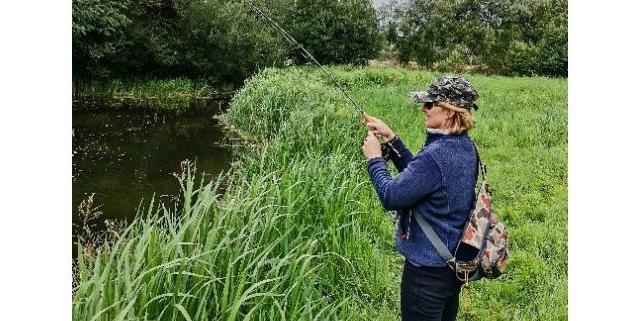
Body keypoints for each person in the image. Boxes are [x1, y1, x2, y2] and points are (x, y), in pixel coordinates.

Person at [361, 76, 480, 321]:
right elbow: (423, 180)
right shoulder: (463, 145)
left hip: (426, 274)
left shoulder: (436, 155)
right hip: (451, 265)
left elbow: (392, 196)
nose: (423, 109)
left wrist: (374, 159)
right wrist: (392, 140)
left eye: (429, 104)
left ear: (448, 112)